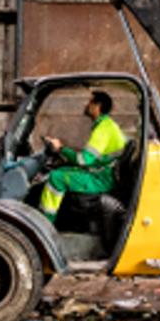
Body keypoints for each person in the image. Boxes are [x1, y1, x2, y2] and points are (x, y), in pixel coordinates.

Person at [39, 90, 127, 224]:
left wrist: (61, 149)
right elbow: (93, 158)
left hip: (100, 179)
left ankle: (45, 223)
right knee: (62, 169)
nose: (86, 105)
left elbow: (83, 160)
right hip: (101, 173)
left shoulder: (104, 129)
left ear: (97, 106)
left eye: (90, 102)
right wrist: (64, 155)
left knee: (56, 178)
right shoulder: (106, 125)